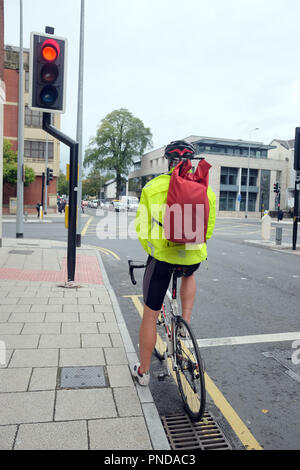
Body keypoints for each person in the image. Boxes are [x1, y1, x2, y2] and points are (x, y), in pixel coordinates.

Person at [133, 140, 216, 385]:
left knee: (149, 315)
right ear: (191, 162)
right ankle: (184, 323)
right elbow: (208, 231)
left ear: (168, 161)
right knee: (189, 275)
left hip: (162, 259)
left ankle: (143, 372)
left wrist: (155, 250)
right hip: (192, 257)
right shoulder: (205, 190)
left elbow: (142, 229)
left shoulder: (153, 187)